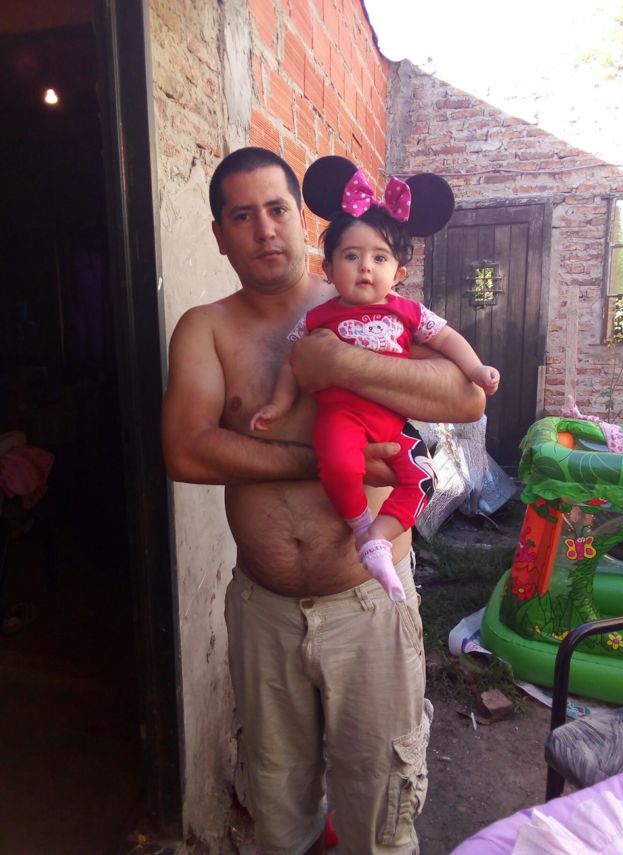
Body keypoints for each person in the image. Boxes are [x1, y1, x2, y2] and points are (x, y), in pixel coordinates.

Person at [161, 146, 486, 855]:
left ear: (302, 220)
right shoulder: (206, 329)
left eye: (277, 209)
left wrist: (343, 362)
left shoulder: (359, 301)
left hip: (366, 607)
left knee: (380, 808)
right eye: (242, 216)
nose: (264, 230)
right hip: (264, 612)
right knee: (278, 805)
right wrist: (321, 464)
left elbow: (466, 397)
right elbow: (186, 450)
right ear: (219, 234)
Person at [251, 159, 500, 603]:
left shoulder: (408, 312)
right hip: (341, 417)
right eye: (352, 256)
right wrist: (278, 404)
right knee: (339, 464)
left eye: (379, 258)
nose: (365, 267)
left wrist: (476, 369)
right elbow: (294, 363)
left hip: (392, 423)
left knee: (422, 478)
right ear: (329, 270)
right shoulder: (319, 317)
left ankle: (379, 539)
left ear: (398, 274)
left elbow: (447, 339)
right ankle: (361, 526)